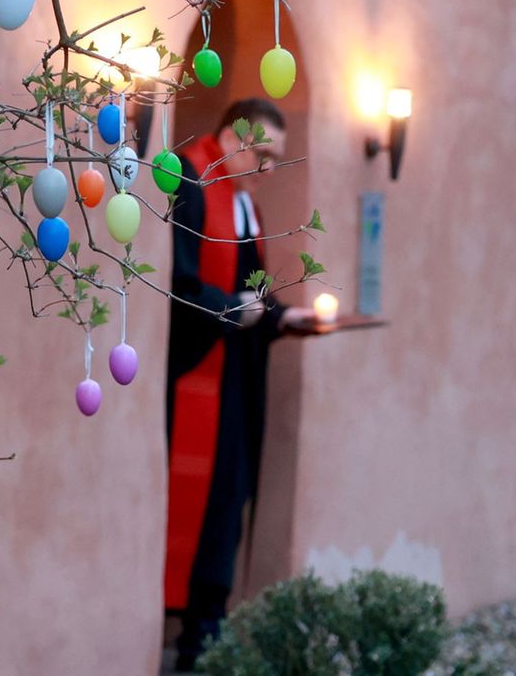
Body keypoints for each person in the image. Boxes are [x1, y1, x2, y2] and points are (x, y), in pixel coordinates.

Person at [163, 98, 315, 671]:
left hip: (236, 378)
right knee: (212, 503)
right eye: (266, 156)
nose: (270, 170)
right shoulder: (190, 182)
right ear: (234, 138)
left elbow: (253, 286)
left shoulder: (241, 200)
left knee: (231, 500)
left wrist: (282, 317)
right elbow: (178, 286)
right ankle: (197, 642)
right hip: (199, 377)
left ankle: (211, 630)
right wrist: (232, 310)